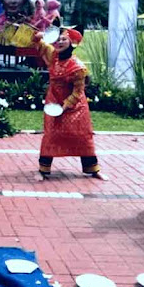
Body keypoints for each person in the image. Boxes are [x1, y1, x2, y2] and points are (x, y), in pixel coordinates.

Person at [30, 27, 107, 182]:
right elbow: (38, 43)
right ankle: (43, 169)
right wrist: (37, 37)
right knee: (51, 135)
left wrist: (64, 107)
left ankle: (93, 169)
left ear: (72, 43)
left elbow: (78, 92)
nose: (60, 42)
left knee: (82, 136)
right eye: (58, 39)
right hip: (53, 100)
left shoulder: (78, 67)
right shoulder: (53, 56)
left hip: (75, 106)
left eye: (64, 39)